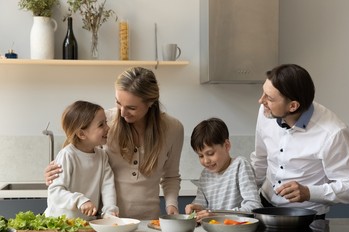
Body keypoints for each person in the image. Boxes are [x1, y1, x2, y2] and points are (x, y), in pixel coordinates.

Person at [45, 67, 184, 220]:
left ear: (150, 102)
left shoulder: (173, 129)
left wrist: (172, 205)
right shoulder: (104, 122)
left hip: (148, 220)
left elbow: (171, 176)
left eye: (131, 107)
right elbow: (77, 152)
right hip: (107, 222)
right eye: (118, 103)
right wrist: (55, 174)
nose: (122, 113)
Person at [250, 63, 349, 217]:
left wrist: (309, 192)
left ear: (293, 106)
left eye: (269, 97)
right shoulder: (266, 111)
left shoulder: (333, 133)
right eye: (263, 93)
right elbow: (260, 160)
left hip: (307, 216)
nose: (261, 101)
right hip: (265, 206)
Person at [45, 100, 119, 221]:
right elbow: (55, 192)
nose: (108, 127)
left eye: (105, 122)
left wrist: (110, 209)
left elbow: (108, 186)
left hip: (85, 223)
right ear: (81, 134)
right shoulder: (67, 155)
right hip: (60, 223)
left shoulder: (102, 156)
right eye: (101, 125)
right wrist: (80, 200)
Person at [185, 117, 261, 221]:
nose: (206, 161)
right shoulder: (205, 175)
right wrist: (194, 209)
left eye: (210, 153)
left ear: (226, 146)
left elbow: (254, 207)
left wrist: (219, 216)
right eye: (200, 156)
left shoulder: (240, 166)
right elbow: (201, 205)